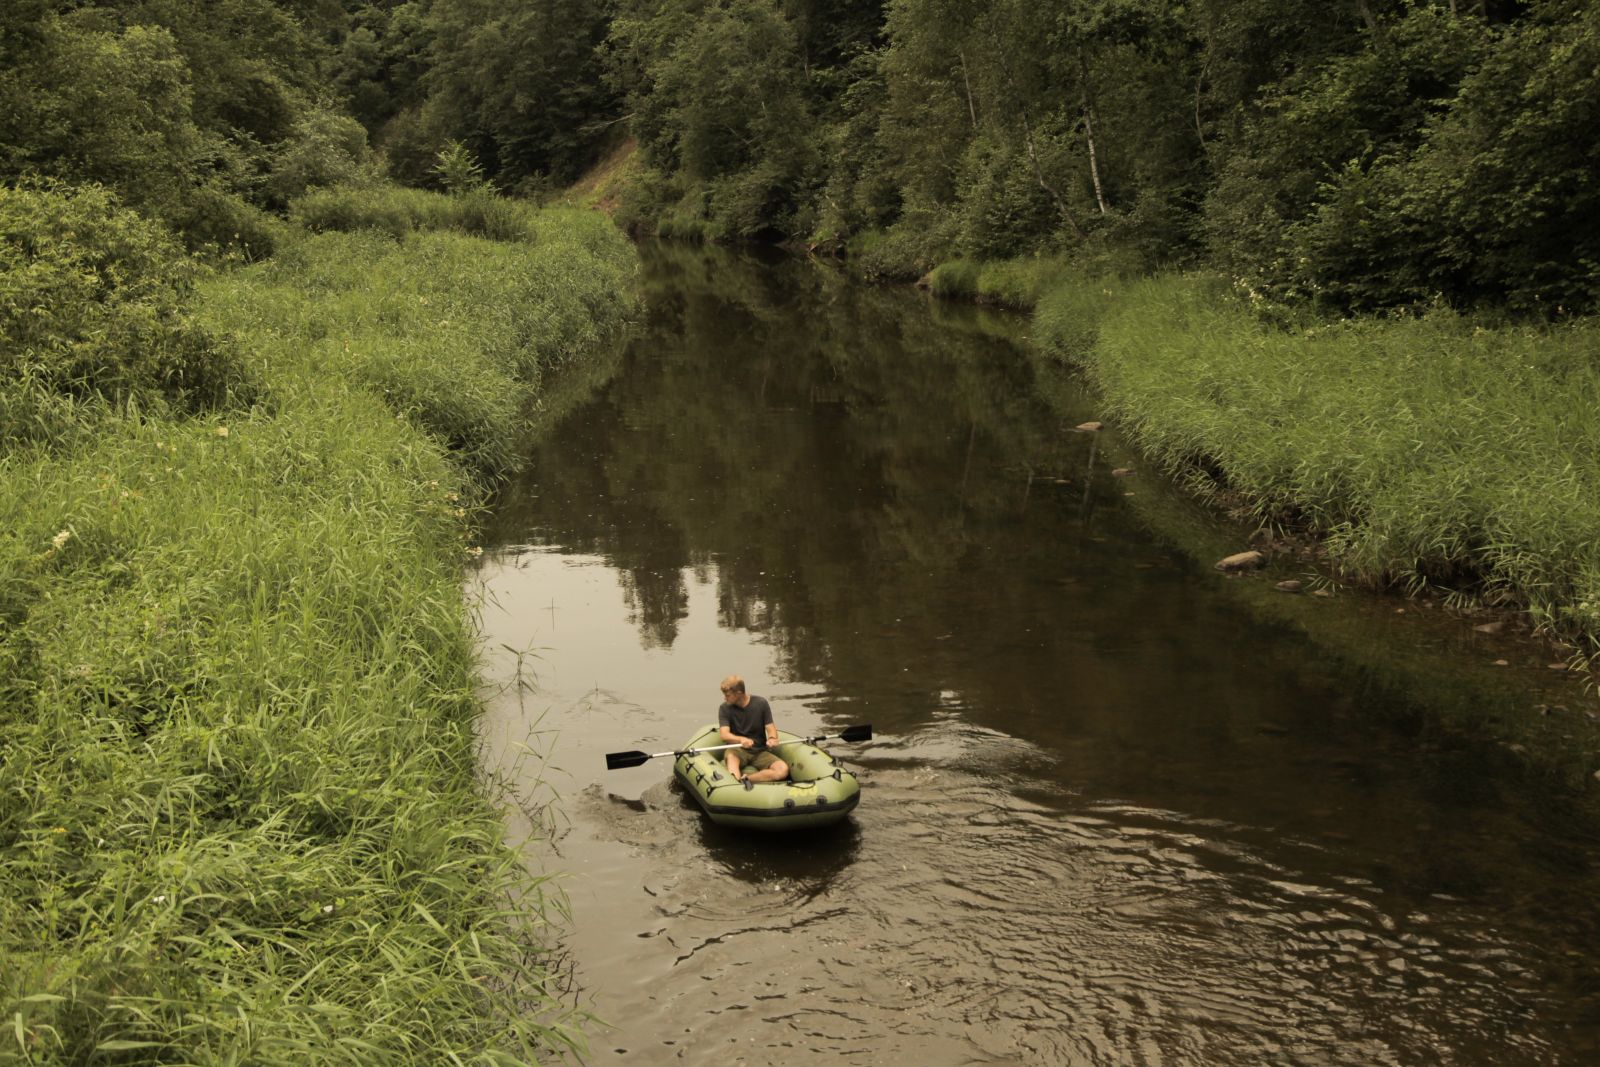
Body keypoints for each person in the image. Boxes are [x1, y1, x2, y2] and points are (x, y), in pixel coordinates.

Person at [717, 675, 788, 784]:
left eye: (728, 695)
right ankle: (735, 783)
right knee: (731, 758)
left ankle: (747, 779)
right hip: (737, 750)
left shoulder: (761, 703)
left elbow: (770, 728)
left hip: (759, 751)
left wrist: (773, 738)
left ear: (739, 693)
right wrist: (741, 740)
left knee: (782, 770)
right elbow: (724, 735)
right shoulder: (724, 708)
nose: (725, 698)